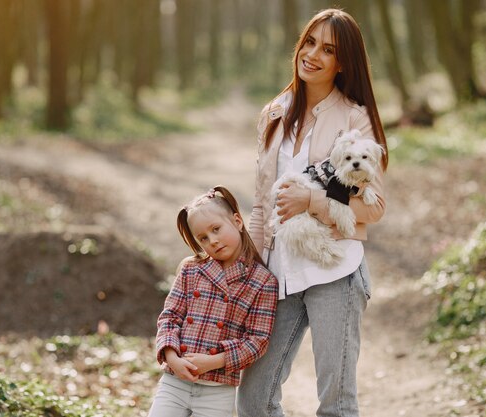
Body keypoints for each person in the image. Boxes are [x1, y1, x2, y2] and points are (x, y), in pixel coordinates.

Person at [237, 8, 388, 417]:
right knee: (253, 401)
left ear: (342, 64)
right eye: (309, 42)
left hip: (335, 271)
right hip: (279, 273)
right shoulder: (274, 112)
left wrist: (314, 203)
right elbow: (261, 202)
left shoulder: (354, 116)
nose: (313, 54)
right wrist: (251, 264)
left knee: (336, 405)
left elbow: (373, 207)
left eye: (328, 49)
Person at [148, 185, 278, 417]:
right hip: (174, 383)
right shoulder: (191, 270)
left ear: (237, 221)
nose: (213, 241)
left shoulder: (262, 281)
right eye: (203, 238)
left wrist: (214, 361)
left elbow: (257, 340)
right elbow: (170, 316)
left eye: (216, 229)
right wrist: (171, 357)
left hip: (218, 389)